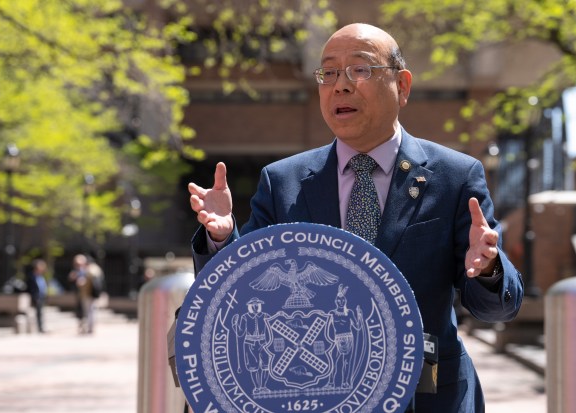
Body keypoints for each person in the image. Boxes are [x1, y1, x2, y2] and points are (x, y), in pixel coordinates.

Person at [188, 23, 524, 412]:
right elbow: (243, 292)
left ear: (402, 86)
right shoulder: (283, 181)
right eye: (328, 73)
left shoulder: (455, 176)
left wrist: (487, 270)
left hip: (426, 396)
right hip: (318, 396)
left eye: (360, 69)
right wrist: (222, 239)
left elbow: (497, 308)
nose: (340, 85)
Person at [26, 259, 48, 333]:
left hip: (42, 297)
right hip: (35, 297)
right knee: (37, 313)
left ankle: (41, 327)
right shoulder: (31, 277)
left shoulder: (41, 277)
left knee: (41, 313)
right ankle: (39, 328)